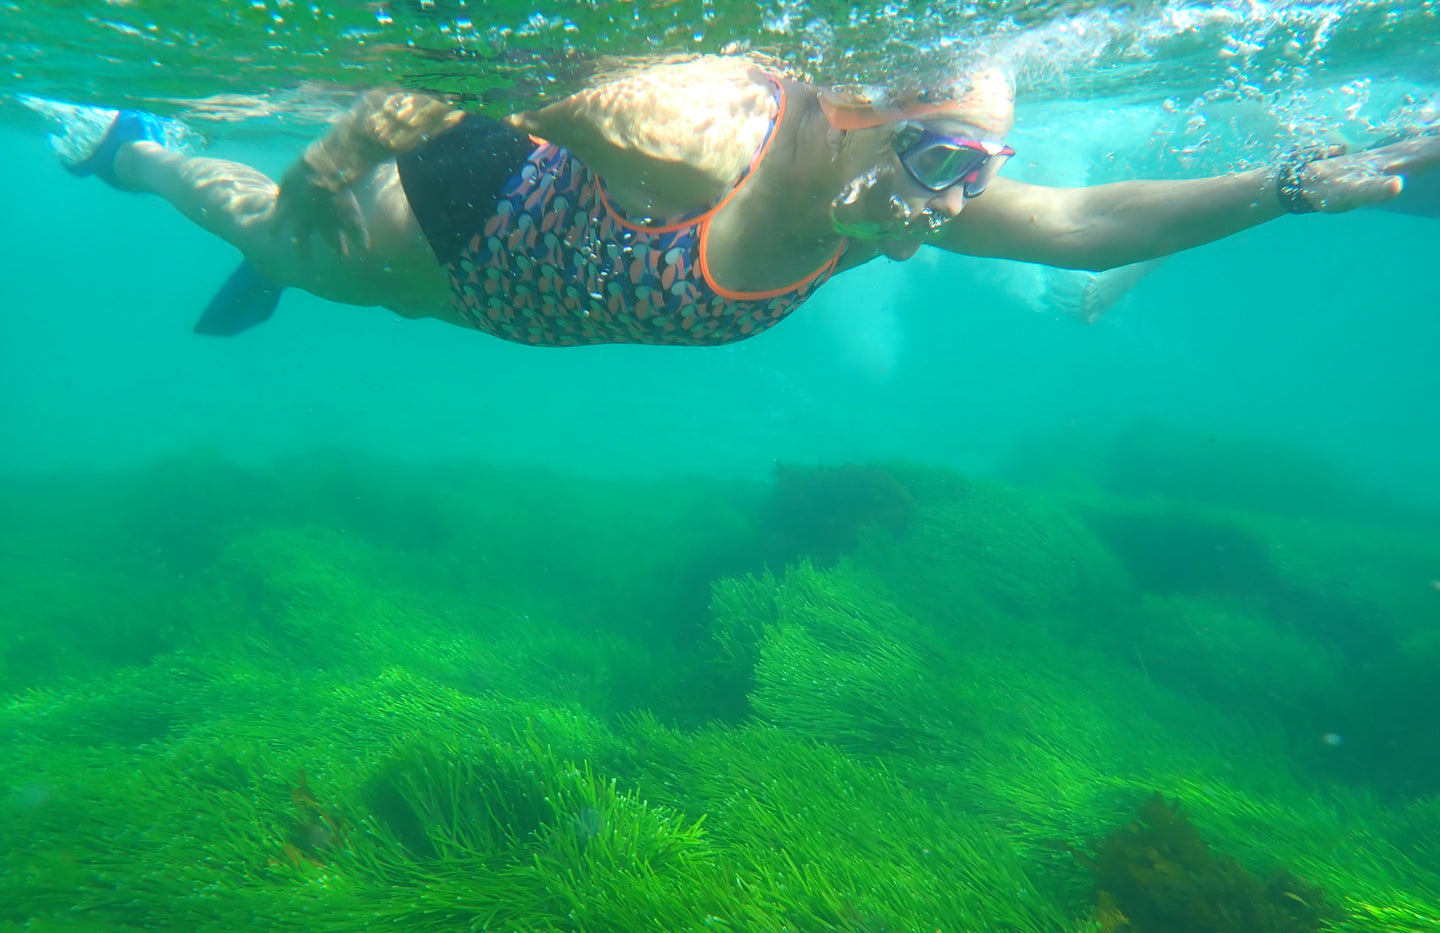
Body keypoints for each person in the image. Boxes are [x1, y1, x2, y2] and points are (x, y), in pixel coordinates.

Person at [26, 55, 1440, 343]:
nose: (965, 202)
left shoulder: (898, 197)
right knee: (280, 241)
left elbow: (1085, 223)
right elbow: (461, 82)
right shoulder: (701, 143)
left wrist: (1293, 185)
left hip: (537, 256)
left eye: (987, 167)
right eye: (949, 160)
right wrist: (333, 155)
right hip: (459, 239)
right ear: (849, 123)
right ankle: (132, 147)